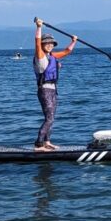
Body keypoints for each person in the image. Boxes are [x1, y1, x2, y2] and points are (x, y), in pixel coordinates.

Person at [32, 17, 77, 151]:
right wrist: (39, 27)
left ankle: (47, 142)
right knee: (49, 118)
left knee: (51, 117)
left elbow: (67, 51)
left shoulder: (52, 57)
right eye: (47, 43)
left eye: (51, 43)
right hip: (44, 90)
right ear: (43, 45)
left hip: (53, 90)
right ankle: (38, 144)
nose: (50, 45)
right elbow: (37, 41)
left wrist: (73, 41)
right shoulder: (39, 55)